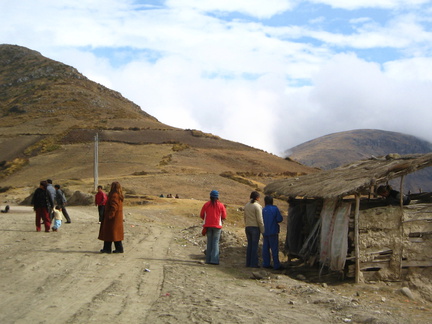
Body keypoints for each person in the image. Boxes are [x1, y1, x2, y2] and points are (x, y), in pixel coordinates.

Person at [200, 190, 227, 265]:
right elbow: (224, 216)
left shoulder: (206, 205)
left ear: (210, 196)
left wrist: (207, 219)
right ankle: (214, 260)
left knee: (209, 242)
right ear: (217, 197)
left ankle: (208, 259)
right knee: (215, 242)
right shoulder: (221, 205)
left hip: (208, 225)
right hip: (217, 226)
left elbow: (202, 214)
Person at [98, 181, 124, 254]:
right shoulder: (119, 194)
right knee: (115, 234)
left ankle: (107, 249)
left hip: (112, 219)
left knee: (109, 233)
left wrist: (110, 215)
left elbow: (114, 206)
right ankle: (118, 248)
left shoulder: (114, 195)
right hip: (117, 218)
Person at [262, 196, 283, 270]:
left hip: (265, 231)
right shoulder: (275, 209)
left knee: (265, 248)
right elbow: (279, 219)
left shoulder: (263, 210)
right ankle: (276, 264)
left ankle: (266, 263)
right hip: (273, 231)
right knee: (274, 249)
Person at [243, 191, 264, 268]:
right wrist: (262, 230)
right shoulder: (257, 206)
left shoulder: (246, 205)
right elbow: (260, 220)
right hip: (255, 227)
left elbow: (245, 217)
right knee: (254, 246)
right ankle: (254, 263)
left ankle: (248, 263)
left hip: (248, 227)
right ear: (257, 198)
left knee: (249, 245)